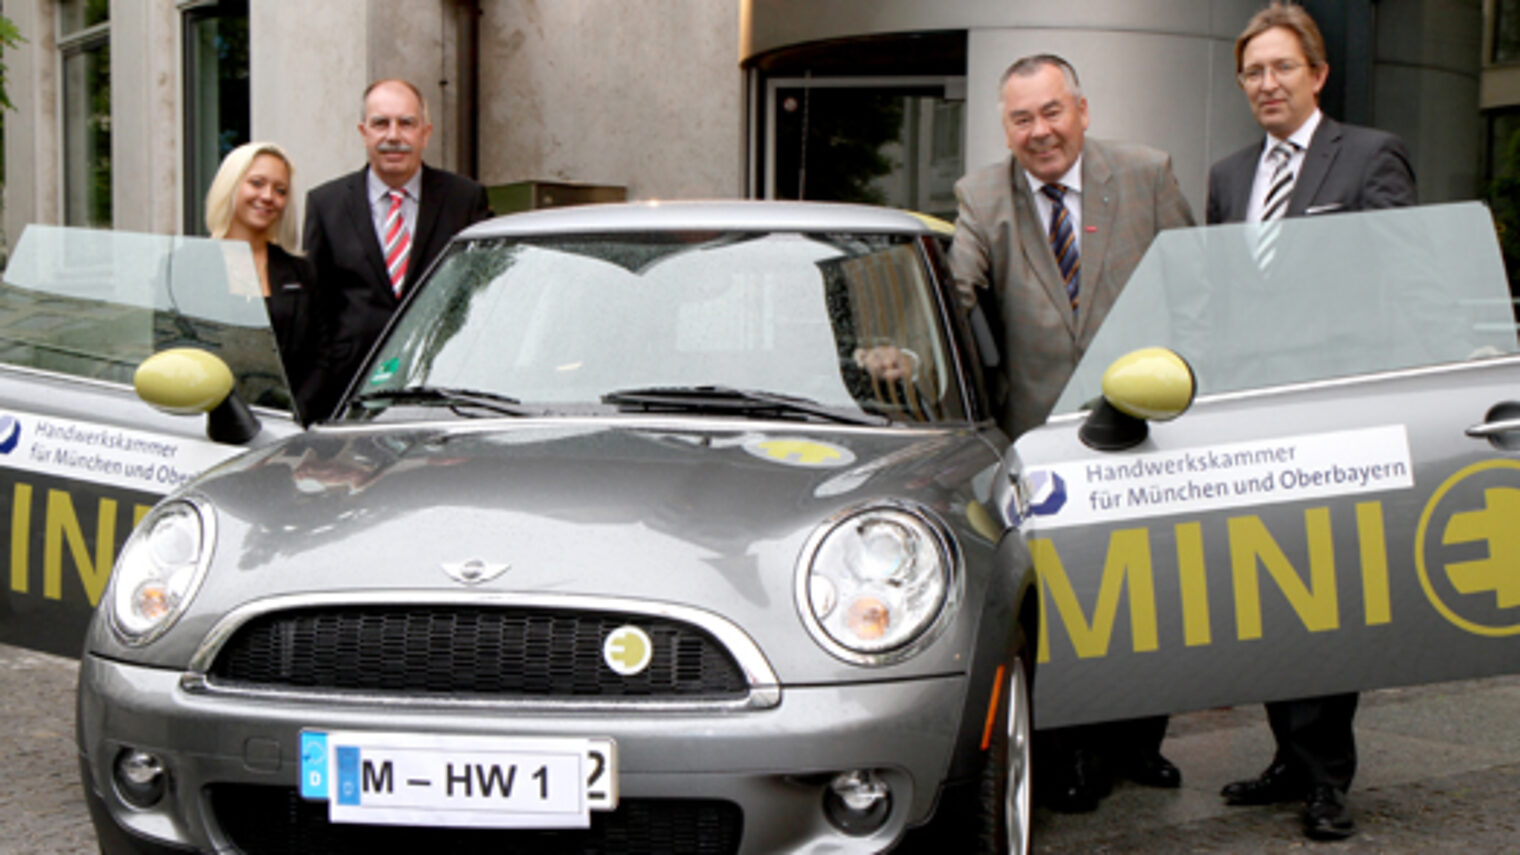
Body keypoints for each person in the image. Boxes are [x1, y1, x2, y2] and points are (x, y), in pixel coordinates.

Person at [949, 53, 1195, 813]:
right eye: (1021, 118)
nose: (1039, 132)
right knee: (1063, 602)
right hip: (1043, 439)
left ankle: (1138, 743)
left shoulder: (1147, 173)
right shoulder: (980, 193)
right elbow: (960, 283)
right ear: (1005, 127)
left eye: (1052, 112)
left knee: (1148, 591)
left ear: (1081, 110)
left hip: (1145, 432)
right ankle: (1072, 754)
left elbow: (1193, 283)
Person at [1206, 2, 1416, 842]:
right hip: (1251, 422)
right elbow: (1218, 297)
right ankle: (1288, 756)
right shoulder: (1228, 176)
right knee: (1264, 592)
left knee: (1327, 599)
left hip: (1337, 419)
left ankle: (1329, 778)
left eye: (1282, 67)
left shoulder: (1370, 156)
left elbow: (1404, 286)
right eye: (1253, 71)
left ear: (1317, 74)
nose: (1267, 83)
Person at [302, 78, 493, 419]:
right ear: (363, 132)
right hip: (350, 395)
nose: (393, 136)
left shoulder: (464, 200)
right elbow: (318, 315)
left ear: (426, 133)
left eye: (406, 123)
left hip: (445, 391)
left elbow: (484, 297)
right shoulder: (325, 204)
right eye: (380, 123)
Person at [203, 140, 323, 422]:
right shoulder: (185, 266)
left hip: (284, 429)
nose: (268, 196)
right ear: (230, 186)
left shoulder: (301, 273)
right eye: (257, 183)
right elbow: (175, 350)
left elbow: (321, 359)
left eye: (280, 190)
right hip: (206, 425)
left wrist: (294, 416)